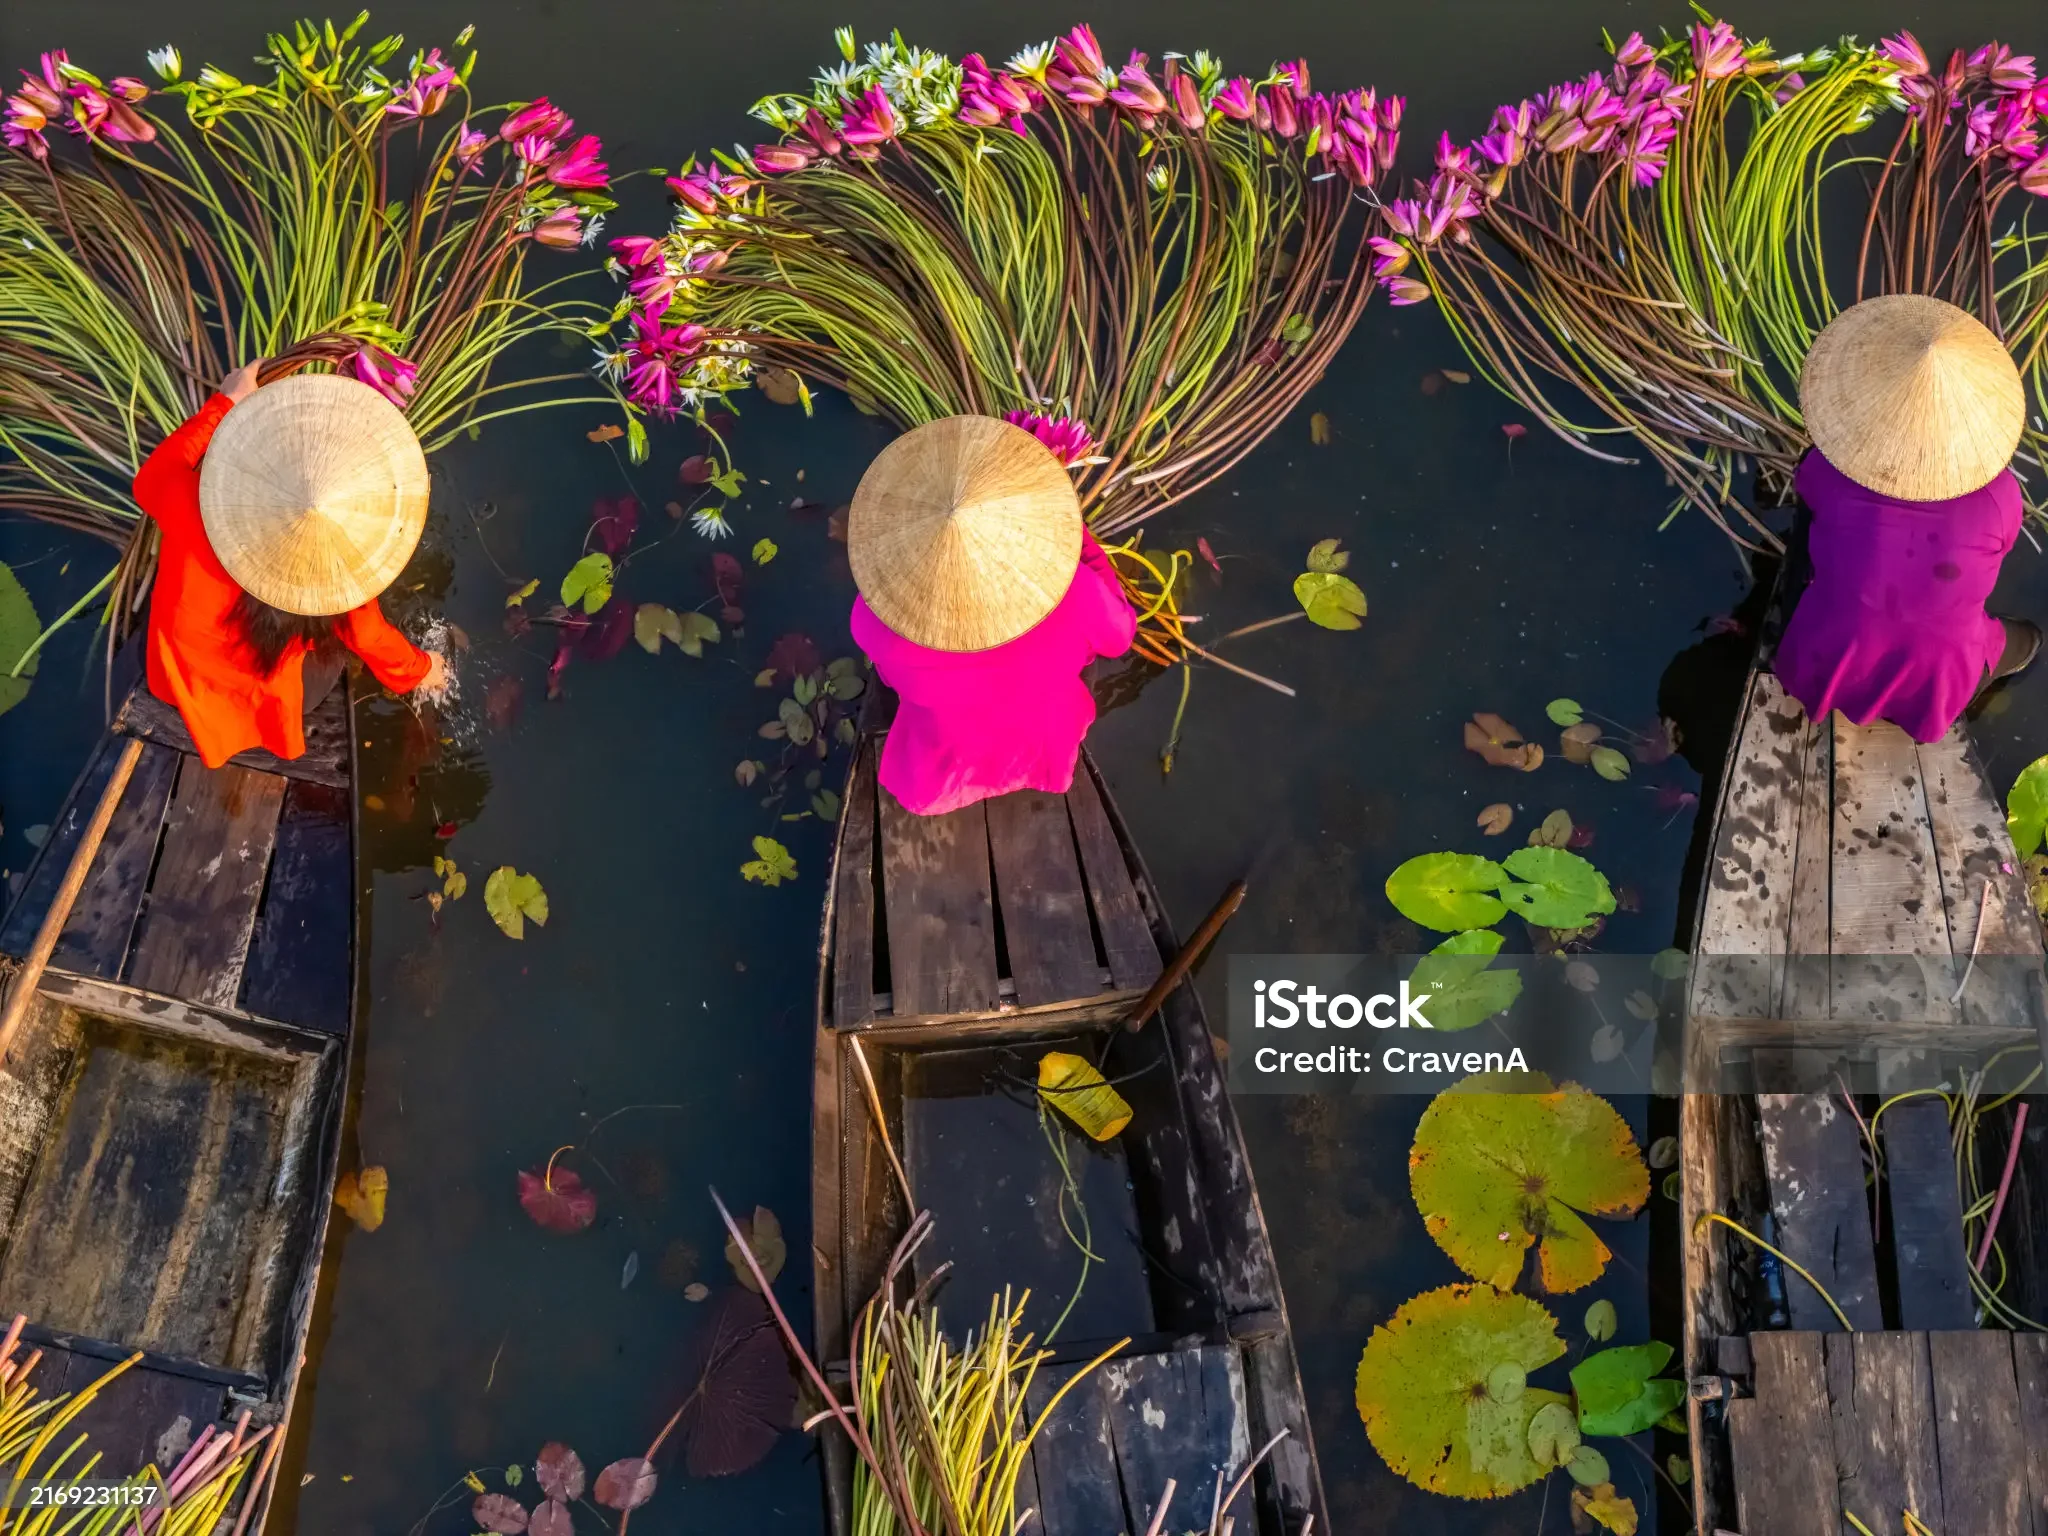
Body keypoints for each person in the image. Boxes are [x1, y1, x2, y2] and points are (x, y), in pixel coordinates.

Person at [134, 362, 447, 770]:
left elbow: (152, 478)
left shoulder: (194, 501)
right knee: (332, 651)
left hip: (179, 678)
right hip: (264, 699)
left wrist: (226, 402)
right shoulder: (339, 577)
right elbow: (371, 638)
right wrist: (424, 670)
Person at [1775, 294, 2038, 744]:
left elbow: (1808, 536)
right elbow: (1996, 555)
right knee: (2027, 640)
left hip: (1829, 656)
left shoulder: (1825, 469)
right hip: (1937, 680)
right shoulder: (2000, 497)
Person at [848, 415, 1137, 816]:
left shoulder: (874, 619)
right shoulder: (1074, 590)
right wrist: (1076, 538)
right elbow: (1119, 637)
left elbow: (888, 672)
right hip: (1040, 745)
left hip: (944, 764)